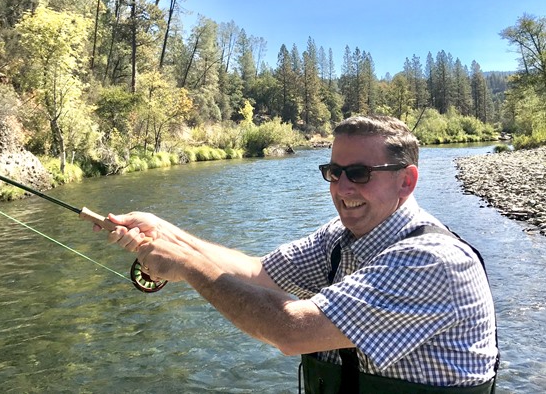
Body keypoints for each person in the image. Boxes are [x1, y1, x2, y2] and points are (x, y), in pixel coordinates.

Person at [97, 115, 499, 393]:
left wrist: (185, 265)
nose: (343, 188)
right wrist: (166, 232)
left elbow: (292, 331)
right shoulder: (339, 237)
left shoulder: (433, 262)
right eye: (334, 172)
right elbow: (257, 272)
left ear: (406, 181)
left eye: (359, 173)